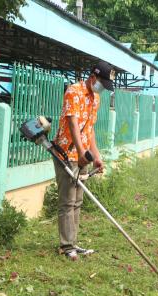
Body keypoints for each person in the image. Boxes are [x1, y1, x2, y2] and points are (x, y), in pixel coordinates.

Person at [53, 61, 115, 259]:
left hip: (84, 156)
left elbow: (90, 130)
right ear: (93, 77)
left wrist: (96, 157)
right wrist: (80, 153)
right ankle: (66, 245)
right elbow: (72, 123)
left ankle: (73, 243)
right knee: (67, 200)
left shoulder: (95, 98)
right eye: (102, 84)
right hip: (66, 153)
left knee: (78, 200)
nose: (102, 89)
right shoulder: (74, 91)